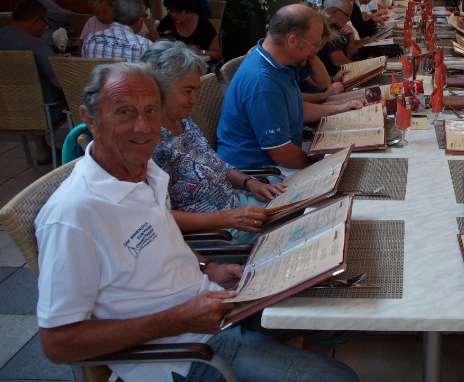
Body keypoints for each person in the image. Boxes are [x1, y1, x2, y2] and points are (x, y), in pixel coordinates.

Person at [34, 62, 359, 382]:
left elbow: (164, 242)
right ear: (89, 118)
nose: (143, 127)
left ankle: (291, 360)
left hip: (216, 302)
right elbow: (58, 344)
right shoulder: (72, 215)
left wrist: (208, 268)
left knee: (338, 306)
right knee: (338, 379)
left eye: (150, 111)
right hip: (183, 351)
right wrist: (177, 319)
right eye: (124, 112)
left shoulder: (146, 173)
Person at [140, 41, 287, 243]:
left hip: (237, 204)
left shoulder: (183, 121)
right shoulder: (149, 143)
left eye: (196, 90)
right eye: (187, 91)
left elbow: (216, 165)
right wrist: (228, 218)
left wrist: (250, 183)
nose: (195, 100)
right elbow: (157, 216)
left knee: (296, 196)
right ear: (158, 89)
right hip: (219, 232)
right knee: (302, 223)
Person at [216, 4, 362, 172]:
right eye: (314, 45)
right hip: (261, 170)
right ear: (292, 41)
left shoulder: (281, 61)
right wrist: (324, 166)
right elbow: (282, 154)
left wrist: (339, 109)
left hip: (281, 155)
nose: (315, 53)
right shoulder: (263, 83)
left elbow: (295, 108)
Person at [0, 0, 66, 164]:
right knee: (72, 95)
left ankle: (42, 149)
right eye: (46, 24)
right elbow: (58, 81)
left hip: (6, 111)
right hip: (46, 112)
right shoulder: (35, 45)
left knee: (27, 95)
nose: (45, 28)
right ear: (36, 21)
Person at [82, 0, 152, 61]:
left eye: (104, 12)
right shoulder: (144, 45)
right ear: (140, 21)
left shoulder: (90, 40)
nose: (101, 16)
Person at [157, 0, 221, 61]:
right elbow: (155, 37)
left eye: (178, 11)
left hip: (200, 65)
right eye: (170, 10)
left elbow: (217, 54)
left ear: (188, 9)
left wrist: (200, 52)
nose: (173, 15)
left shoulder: (204, 25)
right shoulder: (168, 21)